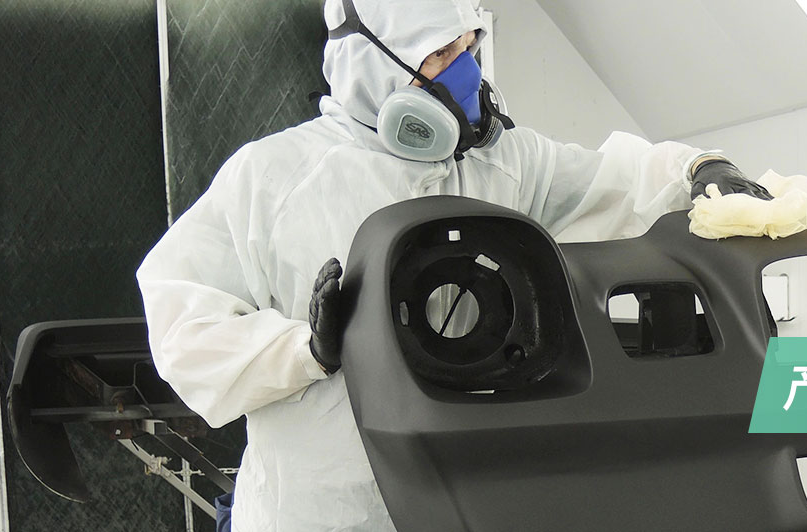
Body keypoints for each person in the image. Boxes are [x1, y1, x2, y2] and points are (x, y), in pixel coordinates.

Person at [135, 1, 771, 530]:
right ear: (369, 63)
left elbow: (617, 179)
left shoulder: (503, 163)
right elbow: (181, 324)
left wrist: (699, 169)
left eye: (469, 46)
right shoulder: (273, 177)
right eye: (439, 55)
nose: (465, 72)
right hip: (321, 512)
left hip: (465, 495)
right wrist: (305, 350)